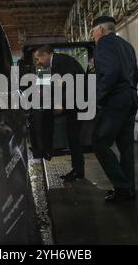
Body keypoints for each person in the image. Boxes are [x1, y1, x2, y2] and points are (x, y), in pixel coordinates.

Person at [90, 16, 138, 203]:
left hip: (115, 101)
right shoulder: (127, 46)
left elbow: (110, 73)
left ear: (101, 30)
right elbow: (135, 75)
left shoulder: (103, 44)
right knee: (126, 146)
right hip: (130, 98)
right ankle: (128, 190)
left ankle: (122, 186)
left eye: (93, 32)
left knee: (100, 143)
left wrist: (99, 98)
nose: (93, 36)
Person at [33, 45, 86, 181]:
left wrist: (60, 104)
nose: (38, 62)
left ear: (46, 55)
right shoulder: (57, 63)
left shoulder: (60, 62)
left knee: (73, 137)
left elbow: (71, 84)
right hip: (74, 100)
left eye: (38, 58)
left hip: (78, 102)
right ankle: (47, 149)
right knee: (47, 115)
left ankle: (76, 170)